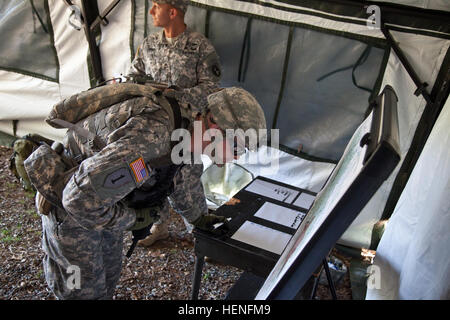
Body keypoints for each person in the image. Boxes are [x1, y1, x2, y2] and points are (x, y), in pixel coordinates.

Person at [24, 84, 266, 299]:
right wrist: (134, 219)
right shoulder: (151, 137)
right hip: (73, 212)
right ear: (214, 122)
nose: (236, 156)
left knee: (108, 277)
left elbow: (182, 175)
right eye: (236, 146)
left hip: (108, 204)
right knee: (80, 291)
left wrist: (198, 218)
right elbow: (77, 201)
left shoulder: (191, 124)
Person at [127, 0, 222, 247]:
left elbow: (211, 89)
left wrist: (174, 95)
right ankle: (160, 225)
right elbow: (134, 77)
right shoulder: (149, 44)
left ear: (172, 11)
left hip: (187, 127)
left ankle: (203, 236)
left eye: (156, 6)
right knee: (155, 176)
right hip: (153, 128)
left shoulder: (200, 46)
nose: (151, 12)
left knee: (187, 178)